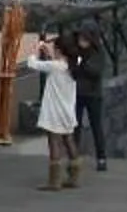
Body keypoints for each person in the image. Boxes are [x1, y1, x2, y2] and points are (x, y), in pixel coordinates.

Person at [19, 35, 81, 189]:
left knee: (54, 142)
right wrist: (49, 55)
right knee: (69, 139)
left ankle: (54, 181)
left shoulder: (55, 66)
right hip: (68, 110)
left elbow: (32, 64)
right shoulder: (75, 63)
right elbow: (56, 64)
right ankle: (74, 176)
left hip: (54, 112)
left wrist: (34, 50)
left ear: (59, 50)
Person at [62, 26, 107, 173]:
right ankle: (73, 158)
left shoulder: (97, 52)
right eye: (80, 38)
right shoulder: (76, 52)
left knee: (96, 126)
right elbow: (73, 68)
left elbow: (95, 71)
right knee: (75, 127)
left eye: (85, 39)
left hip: (93, 95)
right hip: (77, 93)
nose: (82, 42)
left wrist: (82, 65)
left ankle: (101, 158)